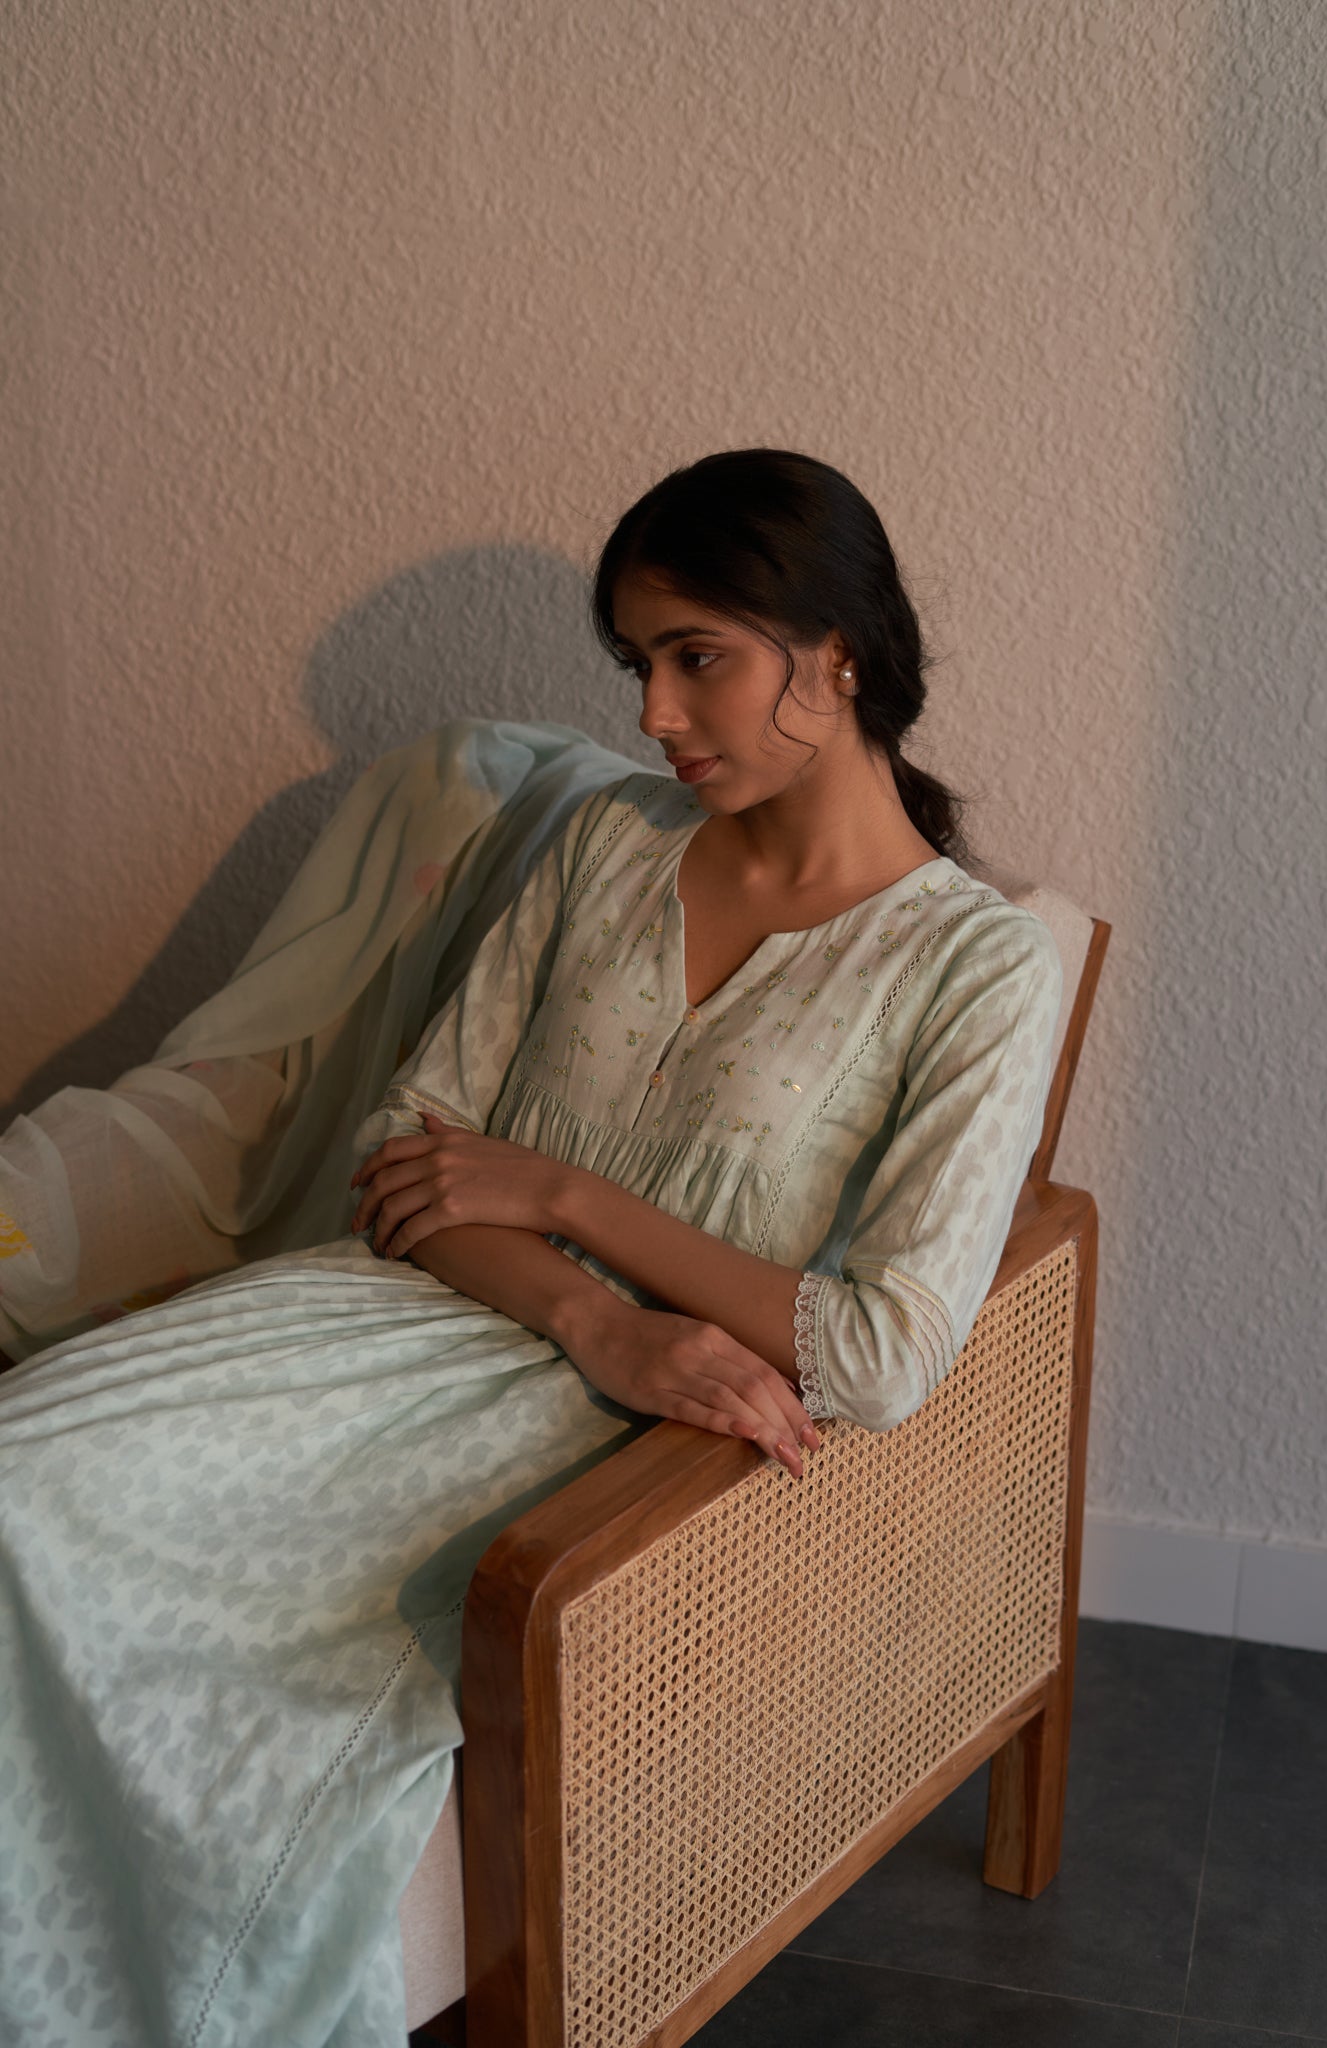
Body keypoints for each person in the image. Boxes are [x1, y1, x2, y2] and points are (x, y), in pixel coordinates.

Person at [0, 448, 1062, 2047]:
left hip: (599, 1438)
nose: (653, 714)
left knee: (253, 1711)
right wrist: (593, 1310)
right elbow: (404, 1150)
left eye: (694, 657)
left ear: (837, 653)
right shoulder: (609, 844)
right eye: (636, 664)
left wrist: (562, 1198)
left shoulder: (973, 966)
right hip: (407, 1312)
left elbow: (879, 1350)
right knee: (20, 1473)